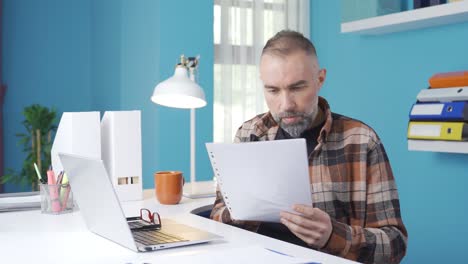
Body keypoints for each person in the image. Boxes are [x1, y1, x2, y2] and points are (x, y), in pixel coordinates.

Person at [210, 30, 408, 263]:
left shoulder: (361, 140)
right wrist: (237, 214)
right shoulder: (249, 134)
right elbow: (217, 214)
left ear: (320, 79)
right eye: (273, 90)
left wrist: (332, 235)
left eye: (297, 88)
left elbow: (395, 244)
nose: (286, 105)